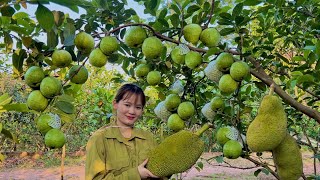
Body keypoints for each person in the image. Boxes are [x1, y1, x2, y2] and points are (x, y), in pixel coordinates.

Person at [85, 83, 161, 180]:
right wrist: (136, 174)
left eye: (138, 107)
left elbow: (160, 169)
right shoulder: (99, 139)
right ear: (115, 104)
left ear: (142, 110)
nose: (132, 111)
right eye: (127, 105)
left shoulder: (148, 138)